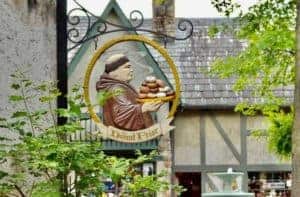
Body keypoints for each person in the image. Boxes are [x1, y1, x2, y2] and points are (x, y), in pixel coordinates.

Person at [96, 54, 162, 131]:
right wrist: (143, 108)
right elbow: (121, 115)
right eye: (127, 67)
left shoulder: (117, 87)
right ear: (114, 72)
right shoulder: (116, 89)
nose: (132, 70)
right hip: (126, 139)